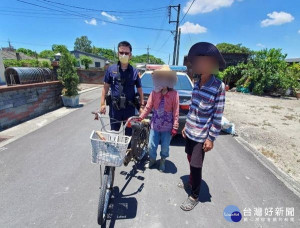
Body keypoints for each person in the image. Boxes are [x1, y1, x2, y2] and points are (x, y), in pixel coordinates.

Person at [179, 42, 226, 211]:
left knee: (196, 164)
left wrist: (211, 138)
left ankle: (195, 195)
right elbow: (193, 107)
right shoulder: (197, 83)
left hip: (202, 135)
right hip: (190, 131)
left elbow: (218, 115)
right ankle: (191, 180)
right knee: (190, 158)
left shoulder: (218, 87)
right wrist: (186, 126)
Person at [139, 65, 179, 172]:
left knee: (165, 147)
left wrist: (175, 126)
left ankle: (162, 160)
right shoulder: (154, 93)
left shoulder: (174, 94)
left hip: (167, 126)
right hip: (155, 125)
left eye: (166, 77)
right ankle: (152, 160)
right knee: (151, 145)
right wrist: (140, 117)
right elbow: (148, 107)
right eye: (161, 77)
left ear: (170, 79)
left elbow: (176, 111)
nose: (163, 80)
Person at [99, 41, 144, 136]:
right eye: (121, 53)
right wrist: (102, 104)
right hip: (115, 109)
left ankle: (128, 150)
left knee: (129, 136)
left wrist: (142, 106)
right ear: (117, 54)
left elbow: (140, 89)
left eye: (126, 53)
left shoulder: (135, 72)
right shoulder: (111, 69)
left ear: (130, 55)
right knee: (114, 134)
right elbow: (105, 87)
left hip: (129, 109)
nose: (124, 55)